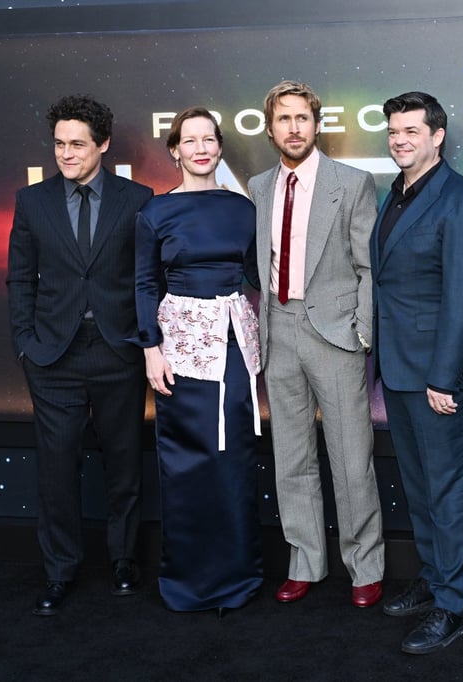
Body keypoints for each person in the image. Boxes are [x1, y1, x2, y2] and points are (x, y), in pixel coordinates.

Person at [7, 94, 151, 616]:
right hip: (53, 357)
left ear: (103, 145)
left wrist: (144, 338)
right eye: (59, 145)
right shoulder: (33, 201)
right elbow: (19, 277)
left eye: (77, 145)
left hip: (118, 351)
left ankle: (123, 560)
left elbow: (146, 278)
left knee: (124, 466)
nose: (66, 154)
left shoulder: (137, 199)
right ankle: (60, 571)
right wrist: (27, 342)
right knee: (57, 470)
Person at [247, 81, 384, 608]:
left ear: (317, 123)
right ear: (270, 128)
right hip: (277, 329)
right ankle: (304, 561)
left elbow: (370, 268)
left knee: (352, 459)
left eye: (303, 118)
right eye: (284, 119)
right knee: (292, 456)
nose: (294, 128)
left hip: (335, 333)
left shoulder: (351, 183)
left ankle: (364, 566)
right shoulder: (259, 186)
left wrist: (362, 331)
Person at [372, 91, 463, 654]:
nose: (400, 140)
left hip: (438, 378)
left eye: (411, 131)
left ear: (437, 136)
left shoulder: (462, 201)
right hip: (398, 370)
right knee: (419, 488)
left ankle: (452, 606)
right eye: (393, 131)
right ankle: (432, 576)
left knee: (446, 491)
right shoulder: (394, 194)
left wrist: (443, 379)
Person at [135, 107, 264, 616]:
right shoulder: (154, 213)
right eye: (190, 140)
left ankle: (237, 578)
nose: (201, 148)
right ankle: (189, 581)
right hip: (179, 351)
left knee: (232, 459)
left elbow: (260, 275)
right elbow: (144, 283)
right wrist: (150, 348)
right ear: (175, 150)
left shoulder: (242, 208)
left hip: (233, 347)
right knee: (187, 462)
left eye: (209, 138)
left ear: (219, 146)